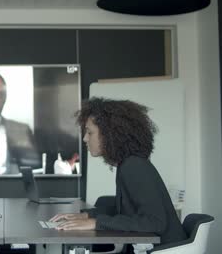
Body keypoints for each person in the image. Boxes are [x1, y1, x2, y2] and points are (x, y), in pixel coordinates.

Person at [49, 97, 186, 253]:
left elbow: (154, 222)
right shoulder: (127, 164)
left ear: (109, 135)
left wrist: (96, 223)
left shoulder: (133, 166)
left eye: (89, 132)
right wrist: (87, 216)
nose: (85, 138)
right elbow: (125, 212)